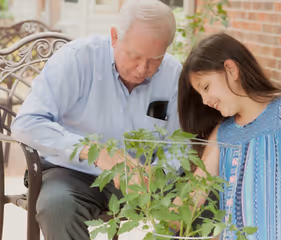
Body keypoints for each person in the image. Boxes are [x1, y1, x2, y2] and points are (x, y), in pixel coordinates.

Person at [11, 0, 182, 239]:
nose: (143, 69)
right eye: (134, 56)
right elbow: (27, 123)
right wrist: (97, 153)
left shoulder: (174, 74)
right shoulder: (77, 59)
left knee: (202, 202)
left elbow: (180, 145)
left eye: (155, 59)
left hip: (144, 178)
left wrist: (158, 173)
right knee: (57, 208)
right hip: (72, 174)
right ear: (114, 36)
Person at [177, 32, 281, 239]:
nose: (205, 101)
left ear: (231, 69)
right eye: (200, 95)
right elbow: (190, 202)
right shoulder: (222, 135)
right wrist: (147, 211)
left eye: (206, 87)